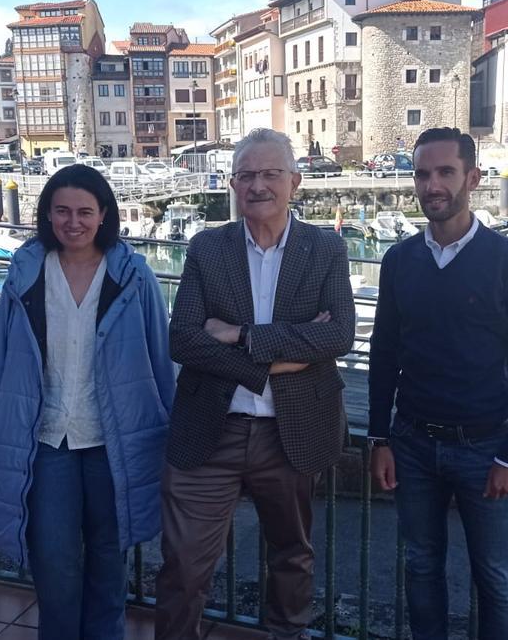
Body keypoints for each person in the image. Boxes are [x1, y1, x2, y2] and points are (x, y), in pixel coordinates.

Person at [156, 127, 356, 640]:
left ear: (295, 181)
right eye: (246, 175)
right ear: (232, 184)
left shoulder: (326, 248)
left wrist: (240, 336)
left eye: (270, 174)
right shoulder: (207, 248)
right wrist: (274, 361)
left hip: (292, 432)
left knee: (292, 558)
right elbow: (183, 340)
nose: (258, 186)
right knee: (183, 565)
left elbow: (337, 335)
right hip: (210, 428)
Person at [367, 127, 508, 640]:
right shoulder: (399, 261)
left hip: (487, 447)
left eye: (445, 172)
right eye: (423, 174)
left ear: (472, 178)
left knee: (495, 578)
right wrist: (379, 438)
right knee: (421, 566)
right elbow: (383, 354)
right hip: (411, 443)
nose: (433, 185)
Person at [0, 164, 175, 640]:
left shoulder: (133, 276)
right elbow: (0, 360)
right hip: (48, 442)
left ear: (104, 214)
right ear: (47, 214)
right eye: (62, 211)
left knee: (110, 563)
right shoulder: (25, 274)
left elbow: (161, 356)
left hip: (115, 444)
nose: (73, 222)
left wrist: (169, 433)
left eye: (85, 211)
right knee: (54, 562)